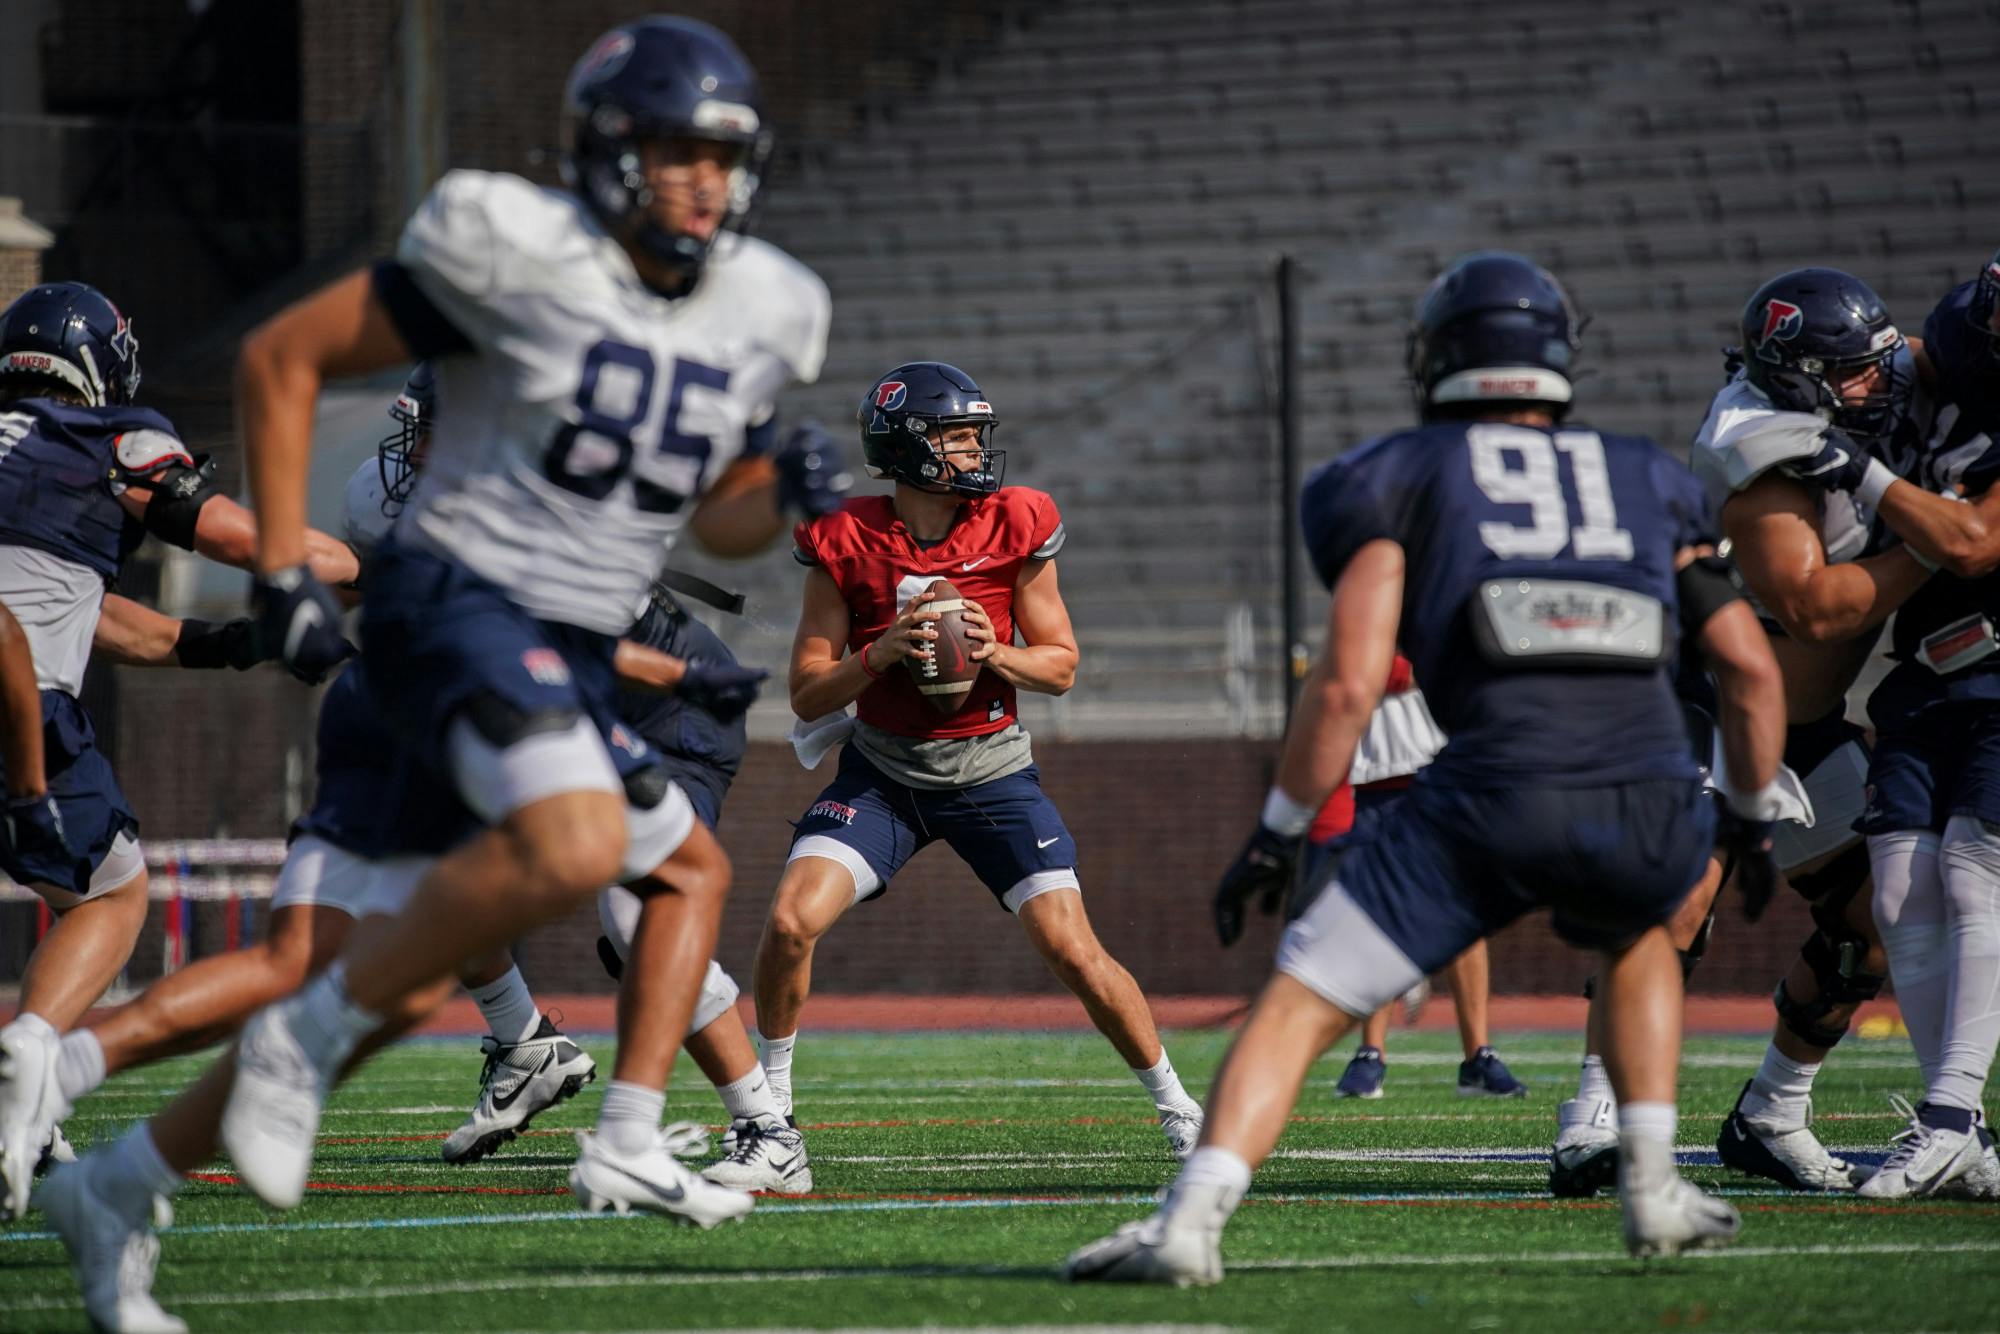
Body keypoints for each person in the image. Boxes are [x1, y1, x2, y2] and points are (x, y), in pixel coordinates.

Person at [1066, 251, 1786, 1285]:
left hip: (1488, 793)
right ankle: (1651, 1185)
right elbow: (1748, 667)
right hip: (1648, 795)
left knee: (1301, 996)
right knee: (1635, 939)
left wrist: (1276, 831)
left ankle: (1190, 1220)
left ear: (1439, 357)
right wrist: (1749, 816)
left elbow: (1349, 682)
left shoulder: (1393, 474)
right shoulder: (1647, 475)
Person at [753, 360, 1204, 1180]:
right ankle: (770, 1120)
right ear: (907, 447)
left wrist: (992, 651)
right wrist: (880, 652)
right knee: (790, 922)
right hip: (883, 773)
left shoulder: (1015, 521)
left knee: (1073, 949)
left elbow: (1061, 665)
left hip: (991, 770)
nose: (972, 451)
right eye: (955, 436)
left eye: (973, 436)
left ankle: (1181, 1111)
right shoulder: (845, 535)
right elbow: (807, 691)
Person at [0, 280, 356, 1222]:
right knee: (111, 897)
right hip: (15, 698)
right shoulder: (109, 439)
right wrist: (372, 569)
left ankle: (30, 1097)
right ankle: (30, 1062)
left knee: (78, 891)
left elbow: (91, 612)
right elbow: (252, 544)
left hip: (16, 665)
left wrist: (235, 644)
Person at [1282, 658, 1525, 1100]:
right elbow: (1346, 668)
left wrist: (1374, 670)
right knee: (1374, 914)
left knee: (1463, 910)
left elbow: (1413, 665)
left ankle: (1478, 1054)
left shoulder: (1422, 612)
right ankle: (1371, 1052)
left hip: (1442, 766)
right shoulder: (1364, 611)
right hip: (1374, 776)